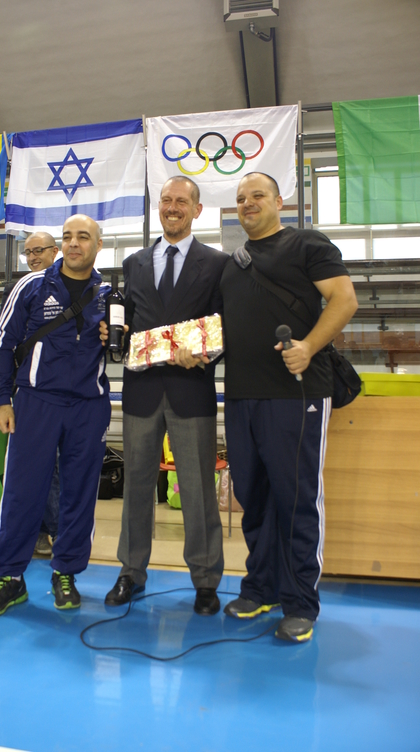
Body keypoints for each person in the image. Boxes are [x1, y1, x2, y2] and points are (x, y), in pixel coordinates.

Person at [220, 171, 358, 642]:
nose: (248, 203)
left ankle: (300, 602)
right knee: (254, 499)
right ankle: (261, 587)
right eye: (241, 198)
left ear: (279, 201)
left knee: (296, 500)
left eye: (258, 195)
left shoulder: (307, 245)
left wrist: (310, 346)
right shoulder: (231, 265)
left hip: (297, 395)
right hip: (241, 396)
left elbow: (344, 299)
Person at [0, 214, 111, 616]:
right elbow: (2, 342)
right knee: (23, 490)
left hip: (89, 406)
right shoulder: (31, 286)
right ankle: (10, 577)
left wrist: (115, 337)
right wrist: (2, 399)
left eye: (82, 237)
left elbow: (127, 345)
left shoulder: (109, 295)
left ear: (98, 245)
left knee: (79, 494)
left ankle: (65, 572)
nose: (73, 243)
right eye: (67, 237)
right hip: (36, 403)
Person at [103, 176, 228, 616]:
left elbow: (224, 325)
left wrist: (208, 352)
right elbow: (130, 323)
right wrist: (113, 334)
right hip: (141, 390)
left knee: (197, 489)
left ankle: (206, 580)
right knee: (136, 487)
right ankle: (131, 572)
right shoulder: (134, 262)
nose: (172, 207)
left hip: (191, 389)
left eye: (181, 201)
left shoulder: (217, 263)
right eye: (166, 200)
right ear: (159, 207)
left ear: (197, 210)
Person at [1, 231, 60, 557]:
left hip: (65, 394)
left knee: (57, 465)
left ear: (55, 251)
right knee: (35, 467)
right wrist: (3, 398)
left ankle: (56, 530)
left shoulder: (73, 287)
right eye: (28, 253)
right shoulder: (18, 289)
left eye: (39, 250)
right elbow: (4, 343)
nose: (33, 257)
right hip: (26, 392)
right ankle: (44, 530)